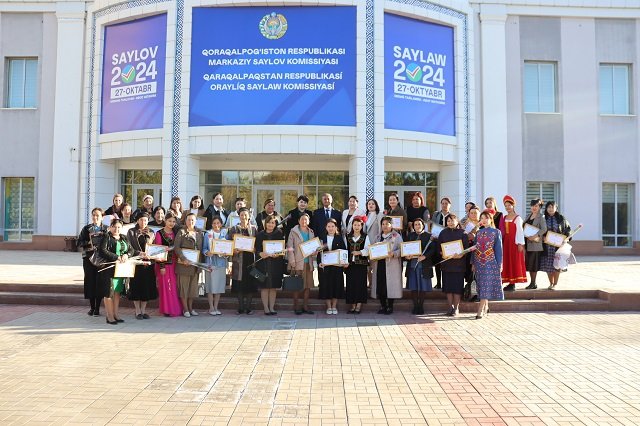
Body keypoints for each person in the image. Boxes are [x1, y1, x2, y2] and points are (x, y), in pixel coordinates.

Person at [98, 218, 133, 325]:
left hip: (121, 269)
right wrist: (116, 257)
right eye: (114, 227)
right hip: (109, 268)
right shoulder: (106, 237)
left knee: (117, 292)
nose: (116, 229)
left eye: (119, 227)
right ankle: (109, 316)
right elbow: (102, 251)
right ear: (110, 227)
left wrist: (127, 255)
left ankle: (116, 314)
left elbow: (131, 249)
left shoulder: (124, 237)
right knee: (109, 293)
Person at [472, 211, 503, 319]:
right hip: (479, 262)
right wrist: (473, 263)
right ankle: (486, 306)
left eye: (486, 218)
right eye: (482, 218)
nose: (484, 220)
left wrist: (500, 264)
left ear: (491, 219)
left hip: (490, 263)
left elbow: (498, 249)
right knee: (482, 285)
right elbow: (474, 248)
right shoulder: (478, 233)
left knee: (486, 285)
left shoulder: (496, 232)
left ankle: (480, 310)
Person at [126, 212, 158, 319]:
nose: (143, 222)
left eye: (145, 220)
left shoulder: (151, 232)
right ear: (137, 220)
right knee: (136, 286)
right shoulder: (131, 232)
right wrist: (139, 253)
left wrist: (152, 254)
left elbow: (154, 246)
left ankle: (143, 310)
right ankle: (137, 311)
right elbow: (129, 247)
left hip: (148, 264)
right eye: (141, 220)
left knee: (146, 287)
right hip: (136, 263)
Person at [77, 207, 107, 317]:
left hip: (101, 259)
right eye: (93, 215)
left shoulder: (106, 229)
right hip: (88, 258)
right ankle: (92, 307)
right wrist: (90, 243)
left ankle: (98, 308)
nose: (95, 217)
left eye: (97, 215)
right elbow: (79, 242)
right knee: (90, 281)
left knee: (99, 282)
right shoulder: (86, 229)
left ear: (102, 217)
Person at [227, 207, 258, 314]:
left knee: (250, 283)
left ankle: (248, 307)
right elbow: (229, 243)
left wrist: (255, 249)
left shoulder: (253, 229)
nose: (243, 217)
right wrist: (233, 250)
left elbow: (257, 244)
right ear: (239, 216)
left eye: (245, 215)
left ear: (249, 216)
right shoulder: (234, 229)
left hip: (250, 260)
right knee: (239, 284)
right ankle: (240, 307)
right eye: (241, 215)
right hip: (238, 260)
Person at [370, 216, 403, 315]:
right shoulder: (377, 237)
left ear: (391, 225)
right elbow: (372, 250)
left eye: (387, 224)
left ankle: (390, 306)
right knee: (381, 285)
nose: (384, 226)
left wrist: (394, 253)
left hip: (391, 265)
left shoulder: (396, 236)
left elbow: (402, 249)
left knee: (390, 285)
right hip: (379, 264)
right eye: (383, 224)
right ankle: (383, 305)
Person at [438, 214, 469, 316]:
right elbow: (439, 247)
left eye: (452, 221)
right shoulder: (443, 233)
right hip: (446, 265)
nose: (450, 223)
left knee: (457, 288)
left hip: (458, 265)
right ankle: (449, 307)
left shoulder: (463, 233)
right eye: (448, 221)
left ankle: (456, 308)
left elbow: (466, 248)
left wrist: (461, 255)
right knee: (448, 288)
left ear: (457, 221)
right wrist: (442, 253)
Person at [174, 213, 204, 317]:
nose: (190, 222)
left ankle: (191, 308)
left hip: (195, 265)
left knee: (192, 289)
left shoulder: (199, 233)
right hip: (184, 264)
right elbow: (176, 247)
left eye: (192, 220)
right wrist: (183, 258)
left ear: (195, 221)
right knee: (184, 288)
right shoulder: (181, 232)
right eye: (189, 220)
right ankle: (185, 309)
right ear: (185, 221)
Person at [286, 213, 317, 315]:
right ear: (298, 221)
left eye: (306, 219)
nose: (304, 221)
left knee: (307, 286)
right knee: (297, 286)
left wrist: (315, 252)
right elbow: (290, 247)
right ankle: (296, 306)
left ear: (309, 221)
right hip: (297, 263)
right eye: (302, 219)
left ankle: (305, 306)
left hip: (308, 263)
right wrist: (292, 261)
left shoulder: (311, 232)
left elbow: (313, 247)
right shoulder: (293, 231)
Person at [405, 218, 436, 315]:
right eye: (415, 224)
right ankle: (415, 306)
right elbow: (405, 247)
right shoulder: (410, 235)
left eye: (419, 224)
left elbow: (433, 249)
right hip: (412, 265)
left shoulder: (429, 236)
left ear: (423, 225)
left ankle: (421, 306)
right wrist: (406, 256)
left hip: (424, 265)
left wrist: (425, 256)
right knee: (413, 286)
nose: (417, 226)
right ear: (413, 226)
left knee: (423, 287)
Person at [153, 212, 182, 317]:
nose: (171, 223)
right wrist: (162, 266)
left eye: (174, 221)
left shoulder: (176, 232)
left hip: (174, 263)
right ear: (165, 220)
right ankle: (166, 310)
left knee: (173, 287)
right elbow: (158, 251)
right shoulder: (159, 233)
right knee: (165, 287)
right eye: (169, 221)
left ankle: (174, 308)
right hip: (164, 264)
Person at [255, 215, 285, 315]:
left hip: (275, 264)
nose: (270, 224)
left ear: (275, 224)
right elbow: (256, 249)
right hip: (262, 264)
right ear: (265, 223)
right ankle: (266, 308)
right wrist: (260, 253)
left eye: (272, 223)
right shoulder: (260, 235)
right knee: (264, 287)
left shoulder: (279, 233)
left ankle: (272, 307)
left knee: (273, 287)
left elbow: (282, 249)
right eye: (268, 222)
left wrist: (278, 254)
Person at [317, 219, 347, 315]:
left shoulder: (339, 238)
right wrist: (319, 262)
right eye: (329, 226)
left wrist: (344, 262)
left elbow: (344, 251)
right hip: (325, 267)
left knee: (336, 286)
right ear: (326, 227)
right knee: (326, 286)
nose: (331, 228)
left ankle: (334, 306)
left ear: (336, 227)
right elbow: (318, 253)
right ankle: (329, 306)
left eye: (333, 226)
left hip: (337, 267)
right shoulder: (322, 238)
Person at [202, 216, 229, 316]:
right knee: (210, 286)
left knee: (219, 286)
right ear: (211, 224)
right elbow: (204, 248)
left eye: (218, 223)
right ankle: (211, 307)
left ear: (221, 224)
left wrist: (226, 253)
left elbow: (228, 248)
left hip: (221, 263)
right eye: (214, 223)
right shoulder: (207, 234)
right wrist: (207, 252)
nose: (216, 225)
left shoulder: (225, 234)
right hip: (210, 263)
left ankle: (216, 306)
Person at [541, 201, 571, 290]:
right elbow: (540, 230)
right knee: (548, 265)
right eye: (549, 207)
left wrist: (566, 238)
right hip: (547, 246)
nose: (551, 209)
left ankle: (555, 284)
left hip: (558, 246)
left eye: (552, 207)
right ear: (546, 208)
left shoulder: (561, 218)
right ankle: (551, 283)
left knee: (557, 264)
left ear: (556, 208)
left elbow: (568, 230)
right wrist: (542, 237)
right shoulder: (543, 218)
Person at [499, 195, 527, 291]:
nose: (507, 207)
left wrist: (520, 244)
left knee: (513, 261)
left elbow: (520, 231)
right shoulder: (504, 217)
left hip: (514, 243)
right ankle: (507, 280)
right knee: (506, 261)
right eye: (506, 206)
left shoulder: (518, 218)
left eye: (509, 205)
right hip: (506, 243)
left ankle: (513, 283)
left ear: (513, 205)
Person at [345, 216, 370, 314]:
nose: (356, 227)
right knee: (351, 284)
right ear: (352, 225)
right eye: (355, 225)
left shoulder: (365, 237)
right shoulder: (347, 236)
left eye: (358, 225)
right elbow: (345, 250)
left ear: (361, 226)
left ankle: (358, 305)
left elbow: (368, 250)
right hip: (350, 265)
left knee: (360, 284)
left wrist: (359, 252)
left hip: (361, 265)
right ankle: (352, 305)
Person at [524, 199, 547, 289]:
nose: (534, 207)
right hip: (527, 243)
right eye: (532, 205)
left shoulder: (541, 217)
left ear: (540, 207)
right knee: (530, 264)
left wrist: (535, 236)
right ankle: (532, 283)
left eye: (536, 206)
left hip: (535, 244)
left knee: (534, 264)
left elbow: (544, 229)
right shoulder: (528, 216)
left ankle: (533, 283)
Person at [431, 197, 453, 289]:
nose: (444, 205)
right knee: (437, 262)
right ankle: (438, 282)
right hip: (437, 242)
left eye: (446, 203)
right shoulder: (436, 214)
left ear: (450, 205)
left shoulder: (452, 216)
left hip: (447, 242)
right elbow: (432, 226)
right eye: (443, 203)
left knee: (446, 263)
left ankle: (446, 282)